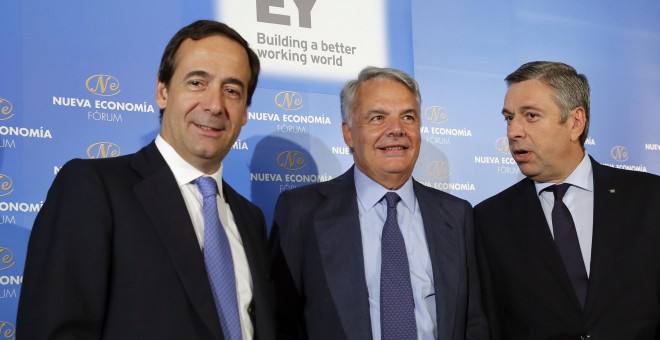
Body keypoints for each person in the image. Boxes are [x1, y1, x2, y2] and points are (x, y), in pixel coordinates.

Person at [17, 20, 275, 340]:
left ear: (245, 111)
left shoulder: (251, 218)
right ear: (162, 91)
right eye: (197, 82)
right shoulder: (92, 188)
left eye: (232, 90)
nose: (214, 104)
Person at [269, 66, 490, 339]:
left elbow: (474, 322)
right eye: (377, 118)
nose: (396, 129)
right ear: (348, 133)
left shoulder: (457, 214)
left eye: (408, 117)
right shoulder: (302, 211)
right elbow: (280, 323)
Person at [475, 61, 660, 339]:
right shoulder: (489, 219)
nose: (513, 132)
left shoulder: (650, 198)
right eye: (509, 118)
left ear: (575, 122)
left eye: (531, 116)